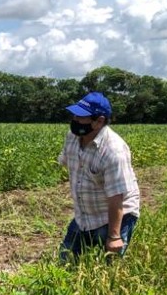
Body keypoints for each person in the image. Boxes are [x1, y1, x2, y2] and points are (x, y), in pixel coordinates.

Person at [58, 92, 140, 261]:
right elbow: (69, 163)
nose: (75, 119)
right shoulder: (73, 137)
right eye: (74, 114)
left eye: (81, 117)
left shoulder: (113, 151)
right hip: (85, 215)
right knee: (66, 260)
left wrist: (114, 236)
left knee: (109, 265)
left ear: (99, 121)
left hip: (116, 213)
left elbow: (117, 197)